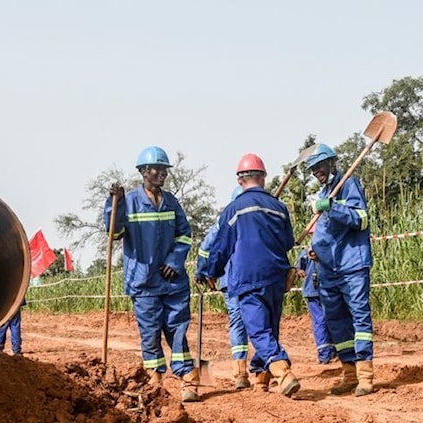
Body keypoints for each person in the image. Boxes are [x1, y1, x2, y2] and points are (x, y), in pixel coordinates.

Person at [197, 153, 299, 397]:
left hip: (248, 278)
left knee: (258, 331)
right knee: (270, 328)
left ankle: (283, 372)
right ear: (263, 178)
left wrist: (208, 271)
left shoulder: (234, 209)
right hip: (276, 277)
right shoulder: (279, 208)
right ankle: (260, 377)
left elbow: (221, 247)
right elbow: (287, 242)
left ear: (240, 180)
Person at [104, 146, 199, 402]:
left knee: (178, 330)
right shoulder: (130, 202)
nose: (163, 174)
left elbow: (184, 235)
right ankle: (154, 384)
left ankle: (188, 380)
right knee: (150, 336)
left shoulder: (171, 202)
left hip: (172, 282)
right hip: (143, 283)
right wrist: (115, 204)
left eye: (165, 170)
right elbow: (114, 233)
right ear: (144, 171)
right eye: (158, 169)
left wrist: (175, 261)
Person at [304, 143, 375, 397]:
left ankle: (365, 376)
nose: (316, 172)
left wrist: (331, 207)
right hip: (328, 269)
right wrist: (315, 251)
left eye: (319, 167)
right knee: (337, 324)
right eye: (313, 170)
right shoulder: (324, 193)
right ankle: (349, 373)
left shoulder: (349, 184)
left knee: (359, 317)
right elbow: (326, 233)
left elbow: (361, 219)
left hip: (352, 265)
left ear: (332, 163)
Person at [197, 186, 251, 390]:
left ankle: (242, 372)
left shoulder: (223, 223)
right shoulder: (256, 222)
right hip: (249, 280)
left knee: (238, 323)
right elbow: (205, 250)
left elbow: (204, 250)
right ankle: (251, 371)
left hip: (235, 281)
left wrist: (202, 271)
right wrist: (203, 271)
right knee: (257, 322)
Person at [295, 246, 337, 364]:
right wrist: (299, 271)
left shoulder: (328, 249)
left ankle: (333, 351)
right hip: (313, 291)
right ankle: (324, 354)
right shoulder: (305, 252)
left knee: (330, 319)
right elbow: (298, 269)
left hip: (327, 290)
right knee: (321, 320)